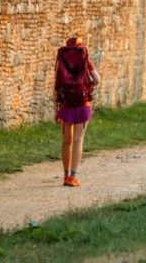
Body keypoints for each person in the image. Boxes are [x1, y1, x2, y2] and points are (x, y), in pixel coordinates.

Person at [53, 35, 100, 187]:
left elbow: (56, 86)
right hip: (82, 103)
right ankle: (73, 176)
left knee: (67, 141)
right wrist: (88, 86)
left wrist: (56, 109)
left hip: (66, 105)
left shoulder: (62, 61)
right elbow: (97, 79)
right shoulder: (86, 60)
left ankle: (65, 176)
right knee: (78, 139)